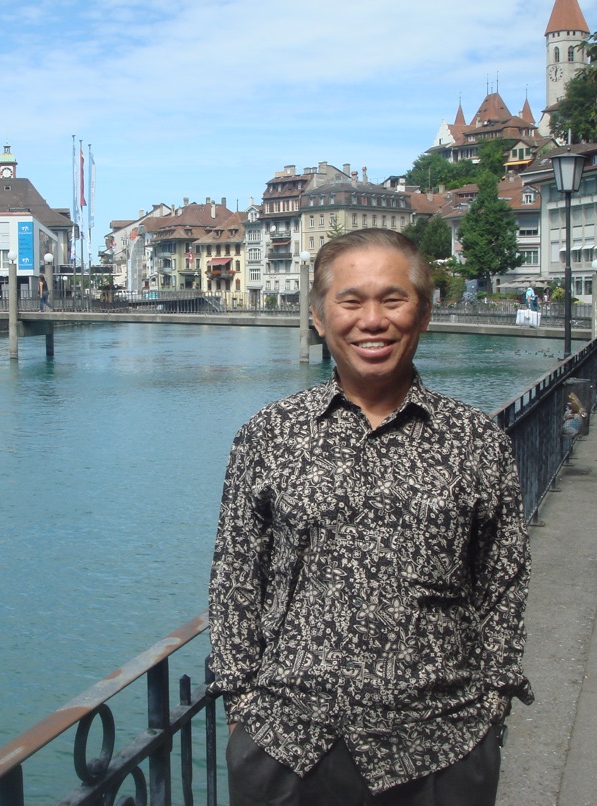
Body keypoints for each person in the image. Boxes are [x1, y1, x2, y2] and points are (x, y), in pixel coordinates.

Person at [209, 228, 532, 806]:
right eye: (351, 301)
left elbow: (503, 577)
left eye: (393, 299)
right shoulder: (269, 434)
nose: (373, 320)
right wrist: (241, 705)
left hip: (442, 741)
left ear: (424, 313)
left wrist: (493, 703)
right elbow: (235, 577)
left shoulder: (475, 440)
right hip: (287, 740)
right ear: (318, 316)